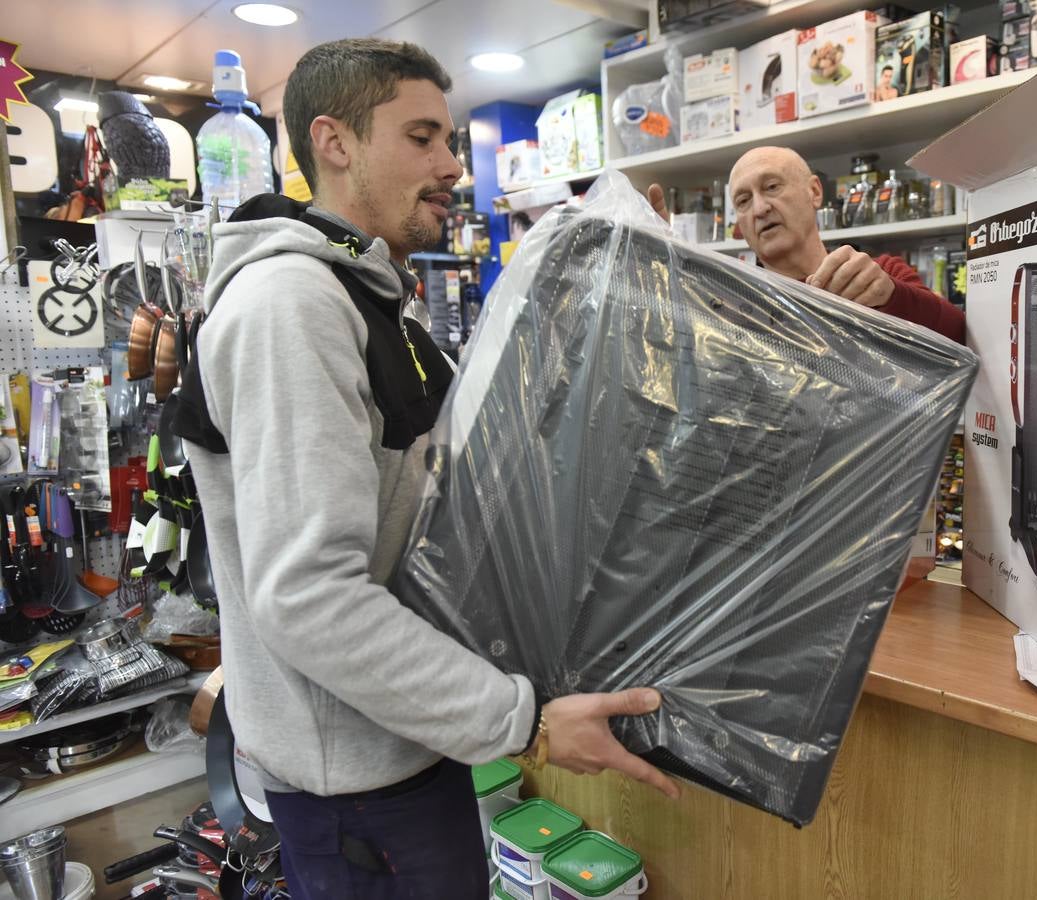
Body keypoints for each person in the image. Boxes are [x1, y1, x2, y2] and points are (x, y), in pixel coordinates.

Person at [182, 38, 678, 900]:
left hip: (408, 751)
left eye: (449, 140)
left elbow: (456, 494)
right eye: (422, 137)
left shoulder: (371, 302)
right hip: (358, 795)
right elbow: (308, 595)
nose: (454, 163)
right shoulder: (290, 306)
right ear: (334, 143)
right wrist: (521, 722)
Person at [648, 146, 965, 343]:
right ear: (739, 227)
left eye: (772, 186)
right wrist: (662, 280)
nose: (760, 208)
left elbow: (956, 335)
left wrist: (890, 296)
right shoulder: (728, 303)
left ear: (815, 192)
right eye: (743, 201)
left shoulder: (880, 273)